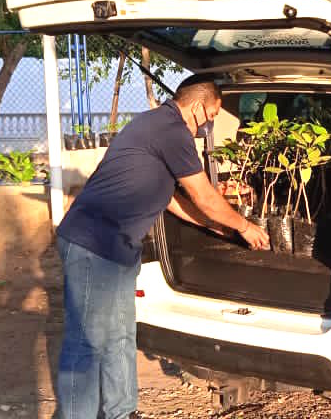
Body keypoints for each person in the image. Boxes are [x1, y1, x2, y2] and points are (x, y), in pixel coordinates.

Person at [52, 73, 269, 419]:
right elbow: (201, 193)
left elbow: (171, 199)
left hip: (119, 248)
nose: (209, 124)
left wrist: (215, 226)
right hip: (92, 243)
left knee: (120, 336)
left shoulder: (157, 124)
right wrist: (244, 226)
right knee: (87, 342)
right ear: (198, 106)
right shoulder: (171, 130)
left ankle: (122, 413)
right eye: (212, 115)